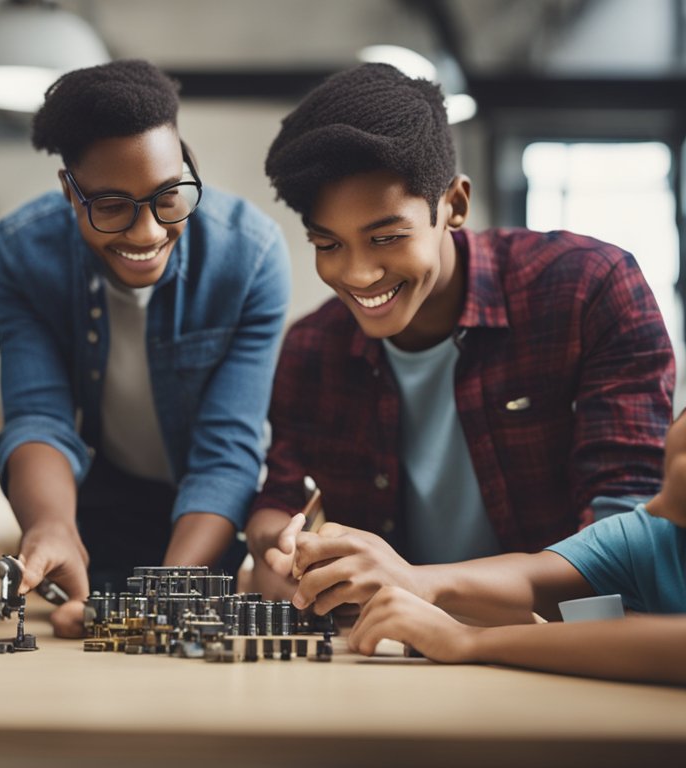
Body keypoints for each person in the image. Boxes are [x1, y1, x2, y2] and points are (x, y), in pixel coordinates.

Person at [247, 63, 673, 596]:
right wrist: (277, 541)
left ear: (455, 204)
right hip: (388, 653)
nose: (356, 274)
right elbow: (281, 496)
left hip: (564, 650)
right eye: (327, 245)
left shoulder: (587, 291)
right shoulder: (311, 348)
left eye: (386, 237)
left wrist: (418, 587)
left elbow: (629, 541)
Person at [0, 60, 290, 636]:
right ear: (70, 193)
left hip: (207, 516)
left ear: (186, 163)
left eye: (168, 196)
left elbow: (227, 451)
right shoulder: (24, 254)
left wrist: (169, 594)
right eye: (111, 206)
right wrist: (50, 526)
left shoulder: (249, 257)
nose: (148, 232)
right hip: (95, 507)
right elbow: (38, 417)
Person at [274, 408, 686, 686]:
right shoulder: (655, 531)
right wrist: (413, 579)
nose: (654, 505)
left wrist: (468, 640)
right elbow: (535, 578)